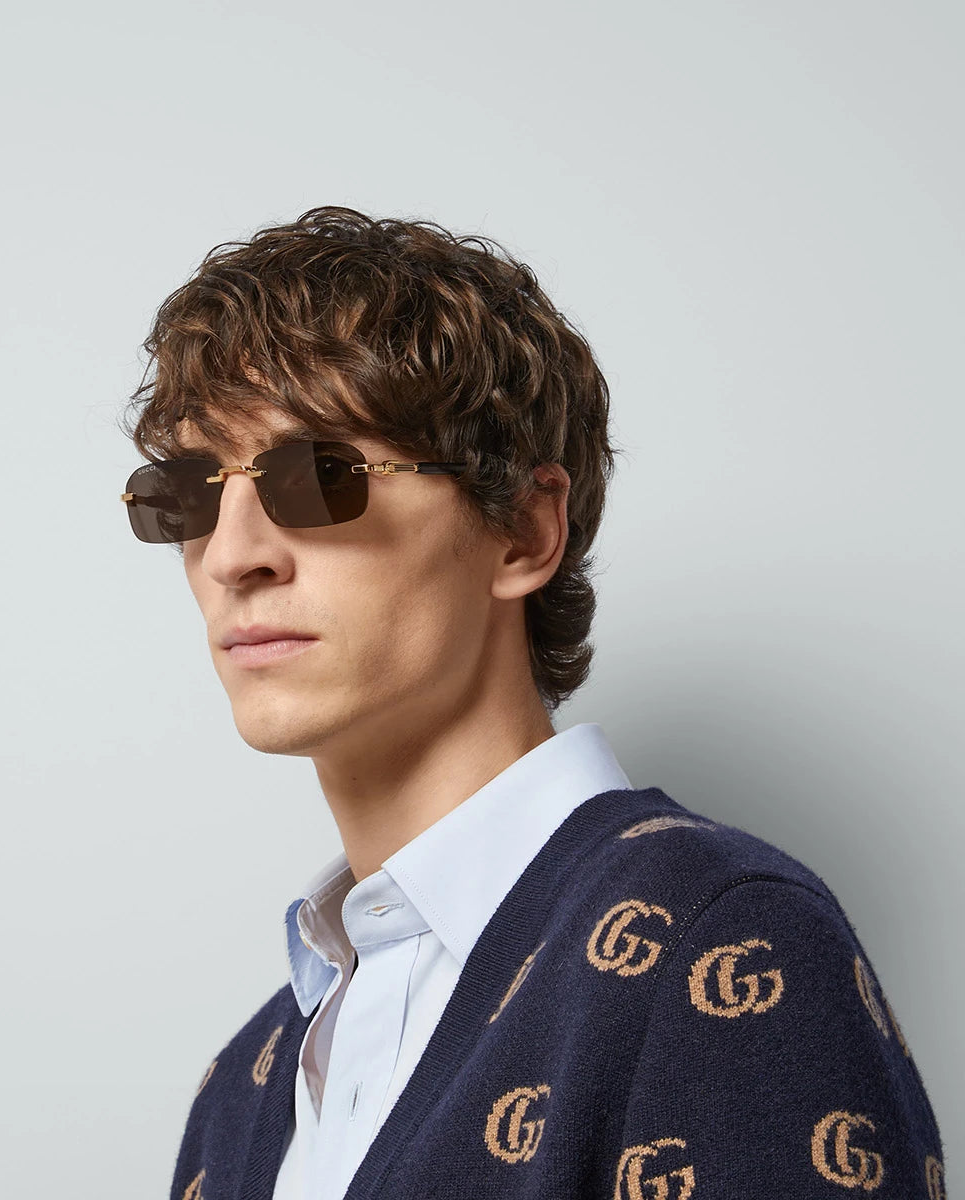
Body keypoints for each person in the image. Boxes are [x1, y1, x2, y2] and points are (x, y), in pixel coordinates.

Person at [119, 207, 945, 1199]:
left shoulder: (716, 935)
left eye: (319, 477)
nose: (231, 555)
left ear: (522, 532)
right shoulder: (242, 1088)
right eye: (190, 494)